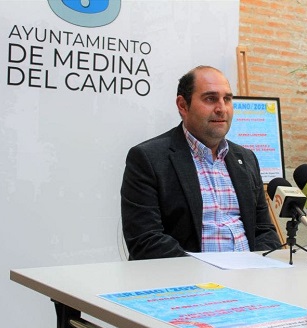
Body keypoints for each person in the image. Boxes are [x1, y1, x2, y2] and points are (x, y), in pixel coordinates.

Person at [120, 65, 281, 260]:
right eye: (210, 99)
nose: (221, 108)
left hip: (249, 277)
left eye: (227, 99)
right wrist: (206, 273)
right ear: (183, 105)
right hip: (189, 282)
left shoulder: (246, 159)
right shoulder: (148, 159)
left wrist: (259, 265)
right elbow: (145, 240)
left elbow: (264, 231)